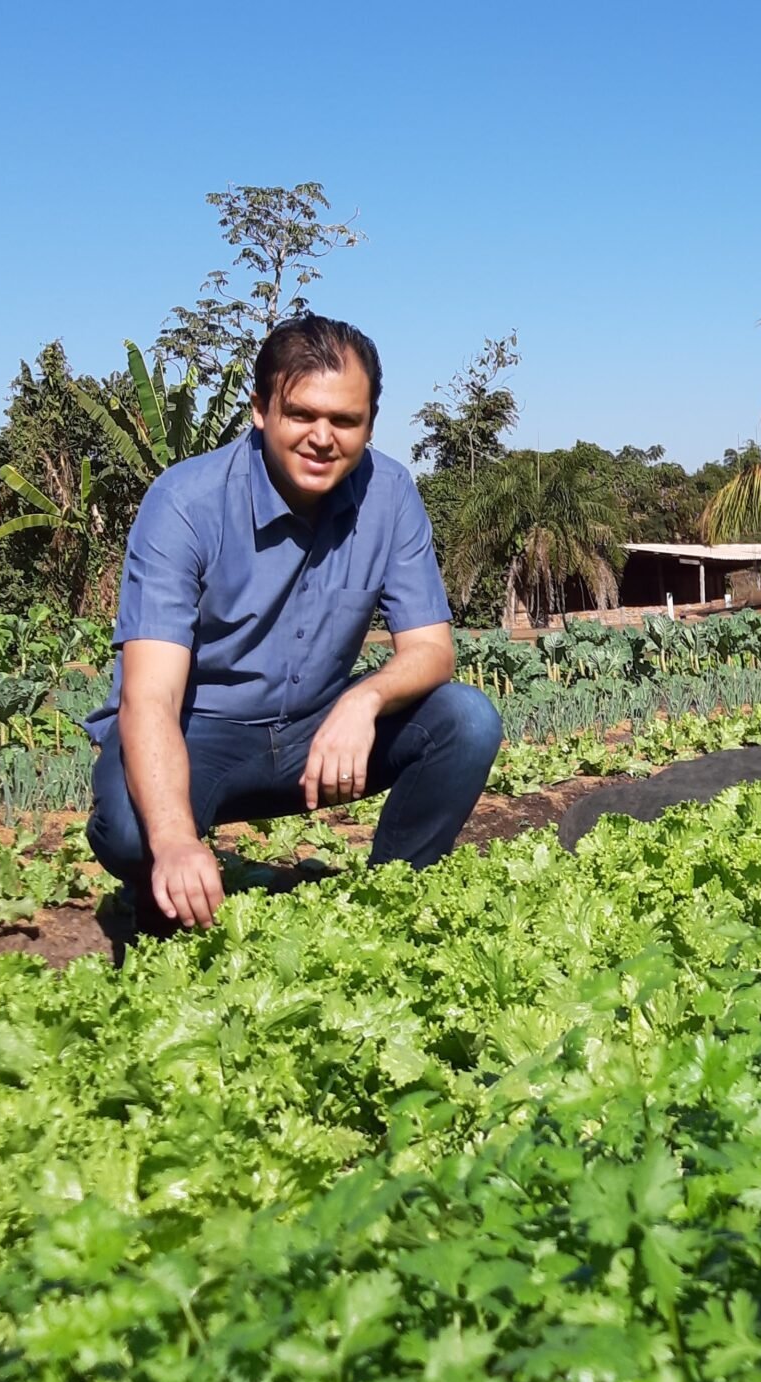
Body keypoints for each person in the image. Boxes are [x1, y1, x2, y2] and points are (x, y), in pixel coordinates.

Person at [85, 315, 503, 938]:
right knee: (131, 829)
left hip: (316, 730)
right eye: (301, 415)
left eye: (344, 421)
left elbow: (432, 650)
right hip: (202, 736)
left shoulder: (389, 493)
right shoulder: (185, 503)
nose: (322, 438)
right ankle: (171, 902)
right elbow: (150, 696)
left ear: (369, 423)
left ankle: (391, 908)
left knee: (467, 721)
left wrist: (365, 699)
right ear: (260, 411)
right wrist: (173, 839)